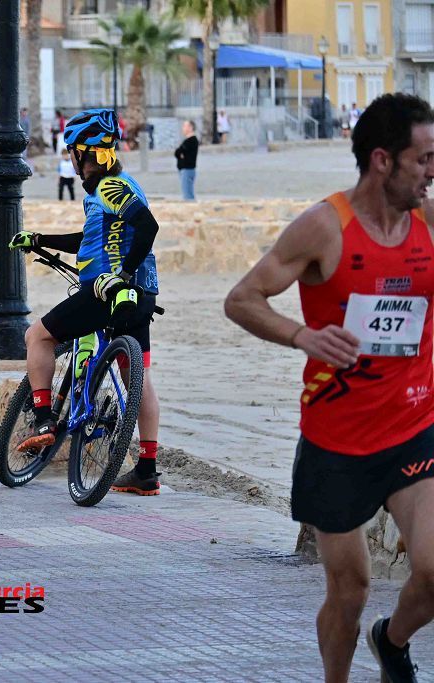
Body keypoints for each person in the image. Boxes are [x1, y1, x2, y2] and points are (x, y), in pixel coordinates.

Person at [225, 92, 434, 683]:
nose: (432, 171)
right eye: (423, 159)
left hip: (415, 429)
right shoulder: (325, 226)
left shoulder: (429, 223)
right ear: (382, 161)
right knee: (351, 591)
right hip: (336, 443)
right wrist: (301, 336)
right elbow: (241, 298)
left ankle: (392, 642)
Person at [8, 108, 163, 495]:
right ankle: (146, 469)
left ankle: (43, 419)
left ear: (82, 152)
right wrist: (41, 239)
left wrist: (121, 275)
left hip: (106, 291)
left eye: (71, 152)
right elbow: (89, 240)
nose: (71, 161)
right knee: (136, 378)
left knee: (38, 337)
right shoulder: (108, 190)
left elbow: (148, 226)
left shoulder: (111, 187)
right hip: (140, 296)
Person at [175, 119, 199, 201]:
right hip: (184, 169)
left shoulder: (191, 141)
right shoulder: (187, 141)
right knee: (187, 192)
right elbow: (178, 153)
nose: (183, 128)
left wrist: (181, 154)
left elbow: (181, 152)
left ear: (190, 128)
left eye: (185, 126)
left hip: (187, 170)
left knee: (188, 195)